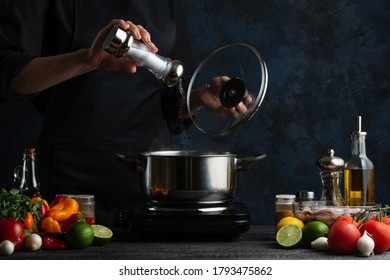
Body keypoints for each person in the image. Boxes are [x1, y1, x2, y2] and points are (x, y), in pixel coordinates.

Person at [0, 0, 251, 231]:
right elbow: (10, 74)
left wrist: (198, 97)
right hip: (70, 177)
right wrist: (88, 59)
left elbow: (173, 95)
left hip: (150, 178)